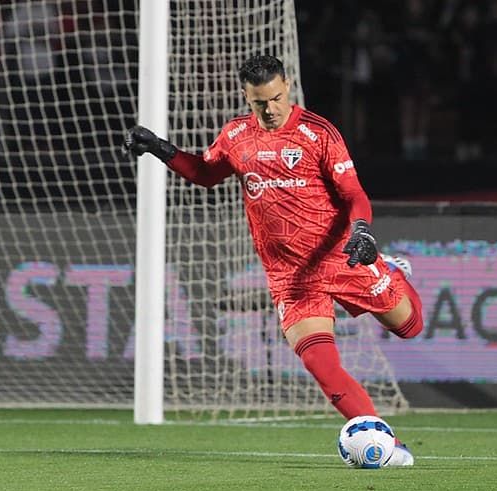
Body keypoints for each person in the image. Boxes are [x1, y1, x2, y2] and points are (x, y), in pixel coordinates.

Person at [122, 55, 423, 466]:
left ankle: (391, 270)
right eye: (259, 102)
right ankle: (382, 446)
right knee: (320, 363)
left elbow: (353, 193)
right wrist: (162, 149)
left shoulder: (318, 134)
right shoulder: (236, 136)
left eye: (277, 98)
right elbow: (206, 173)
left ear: (288, 88)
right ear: (246, 97)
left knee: (409, 326)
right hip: (290, 276)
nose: (270, 109)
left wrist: (362, 231)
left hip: (340, 256)